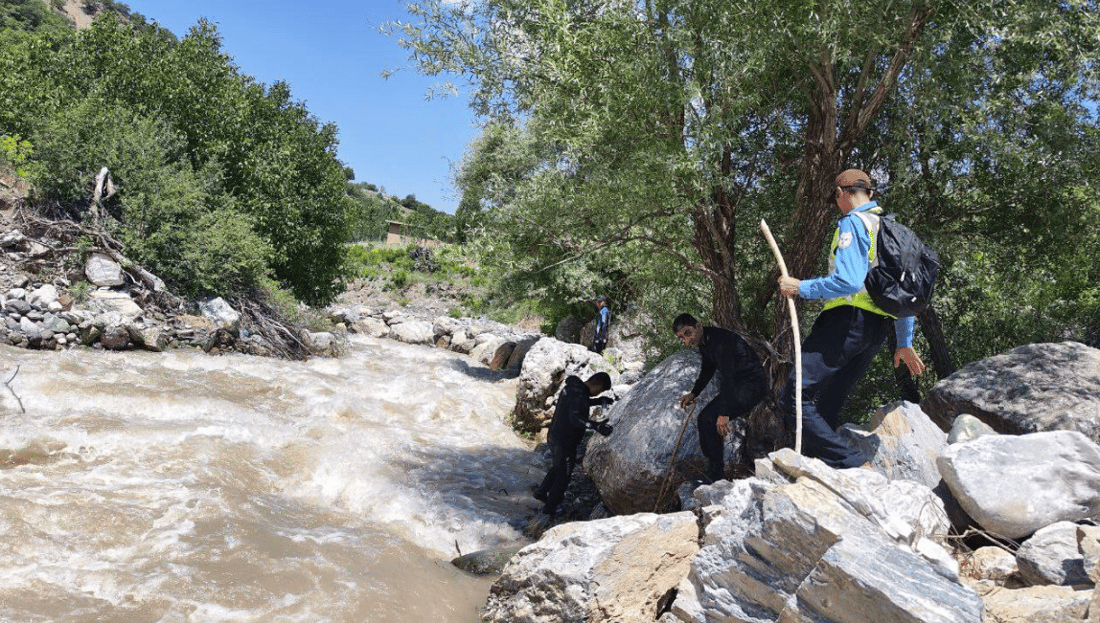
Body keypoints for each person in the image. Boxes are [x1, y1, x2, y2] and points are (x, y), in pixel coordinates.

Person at [777, 168, 926, 468]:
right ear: (870, 193)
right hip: (876, 331)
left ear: (841, 193)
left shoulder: (852, 223)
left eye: (836, 197)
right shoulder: (889, 229)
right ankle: (829, 464)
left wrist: (800, 287)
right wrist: (904, 342)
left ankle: (852, 463)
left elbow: (846, 282)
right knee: (830, 400)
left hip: (846, 322)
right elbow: (904, 294)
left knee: (793, 396)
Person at [673, 313, 767, 484]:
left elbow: (728, 377)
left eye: (688, 333)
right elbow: (708, 369)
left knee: (709, 419)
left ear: (699, 326)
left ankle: (717, 475)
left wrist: (724, 414)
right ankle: (714, 467)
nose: (686, 340)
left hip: (752, 384)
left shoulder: (719, 342)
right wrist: (694, 393)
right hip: (738, 385)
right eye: (681, 337)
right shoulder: (704, 342)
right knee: (704, 419)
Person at [533, 372, 614, 516]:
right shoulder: (579, 394)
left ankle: (541, 492)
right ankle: (548, 512)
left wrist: (598, 400)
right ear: (597, 384)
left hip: (555, 436)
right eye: (600, 391)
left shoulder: (574, 388)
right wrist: (597, 426)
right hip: (563, 440)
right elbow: (575, 419)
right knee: (563, 476)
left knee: (558, 467)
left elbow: (580, 403)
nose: (598, 393)